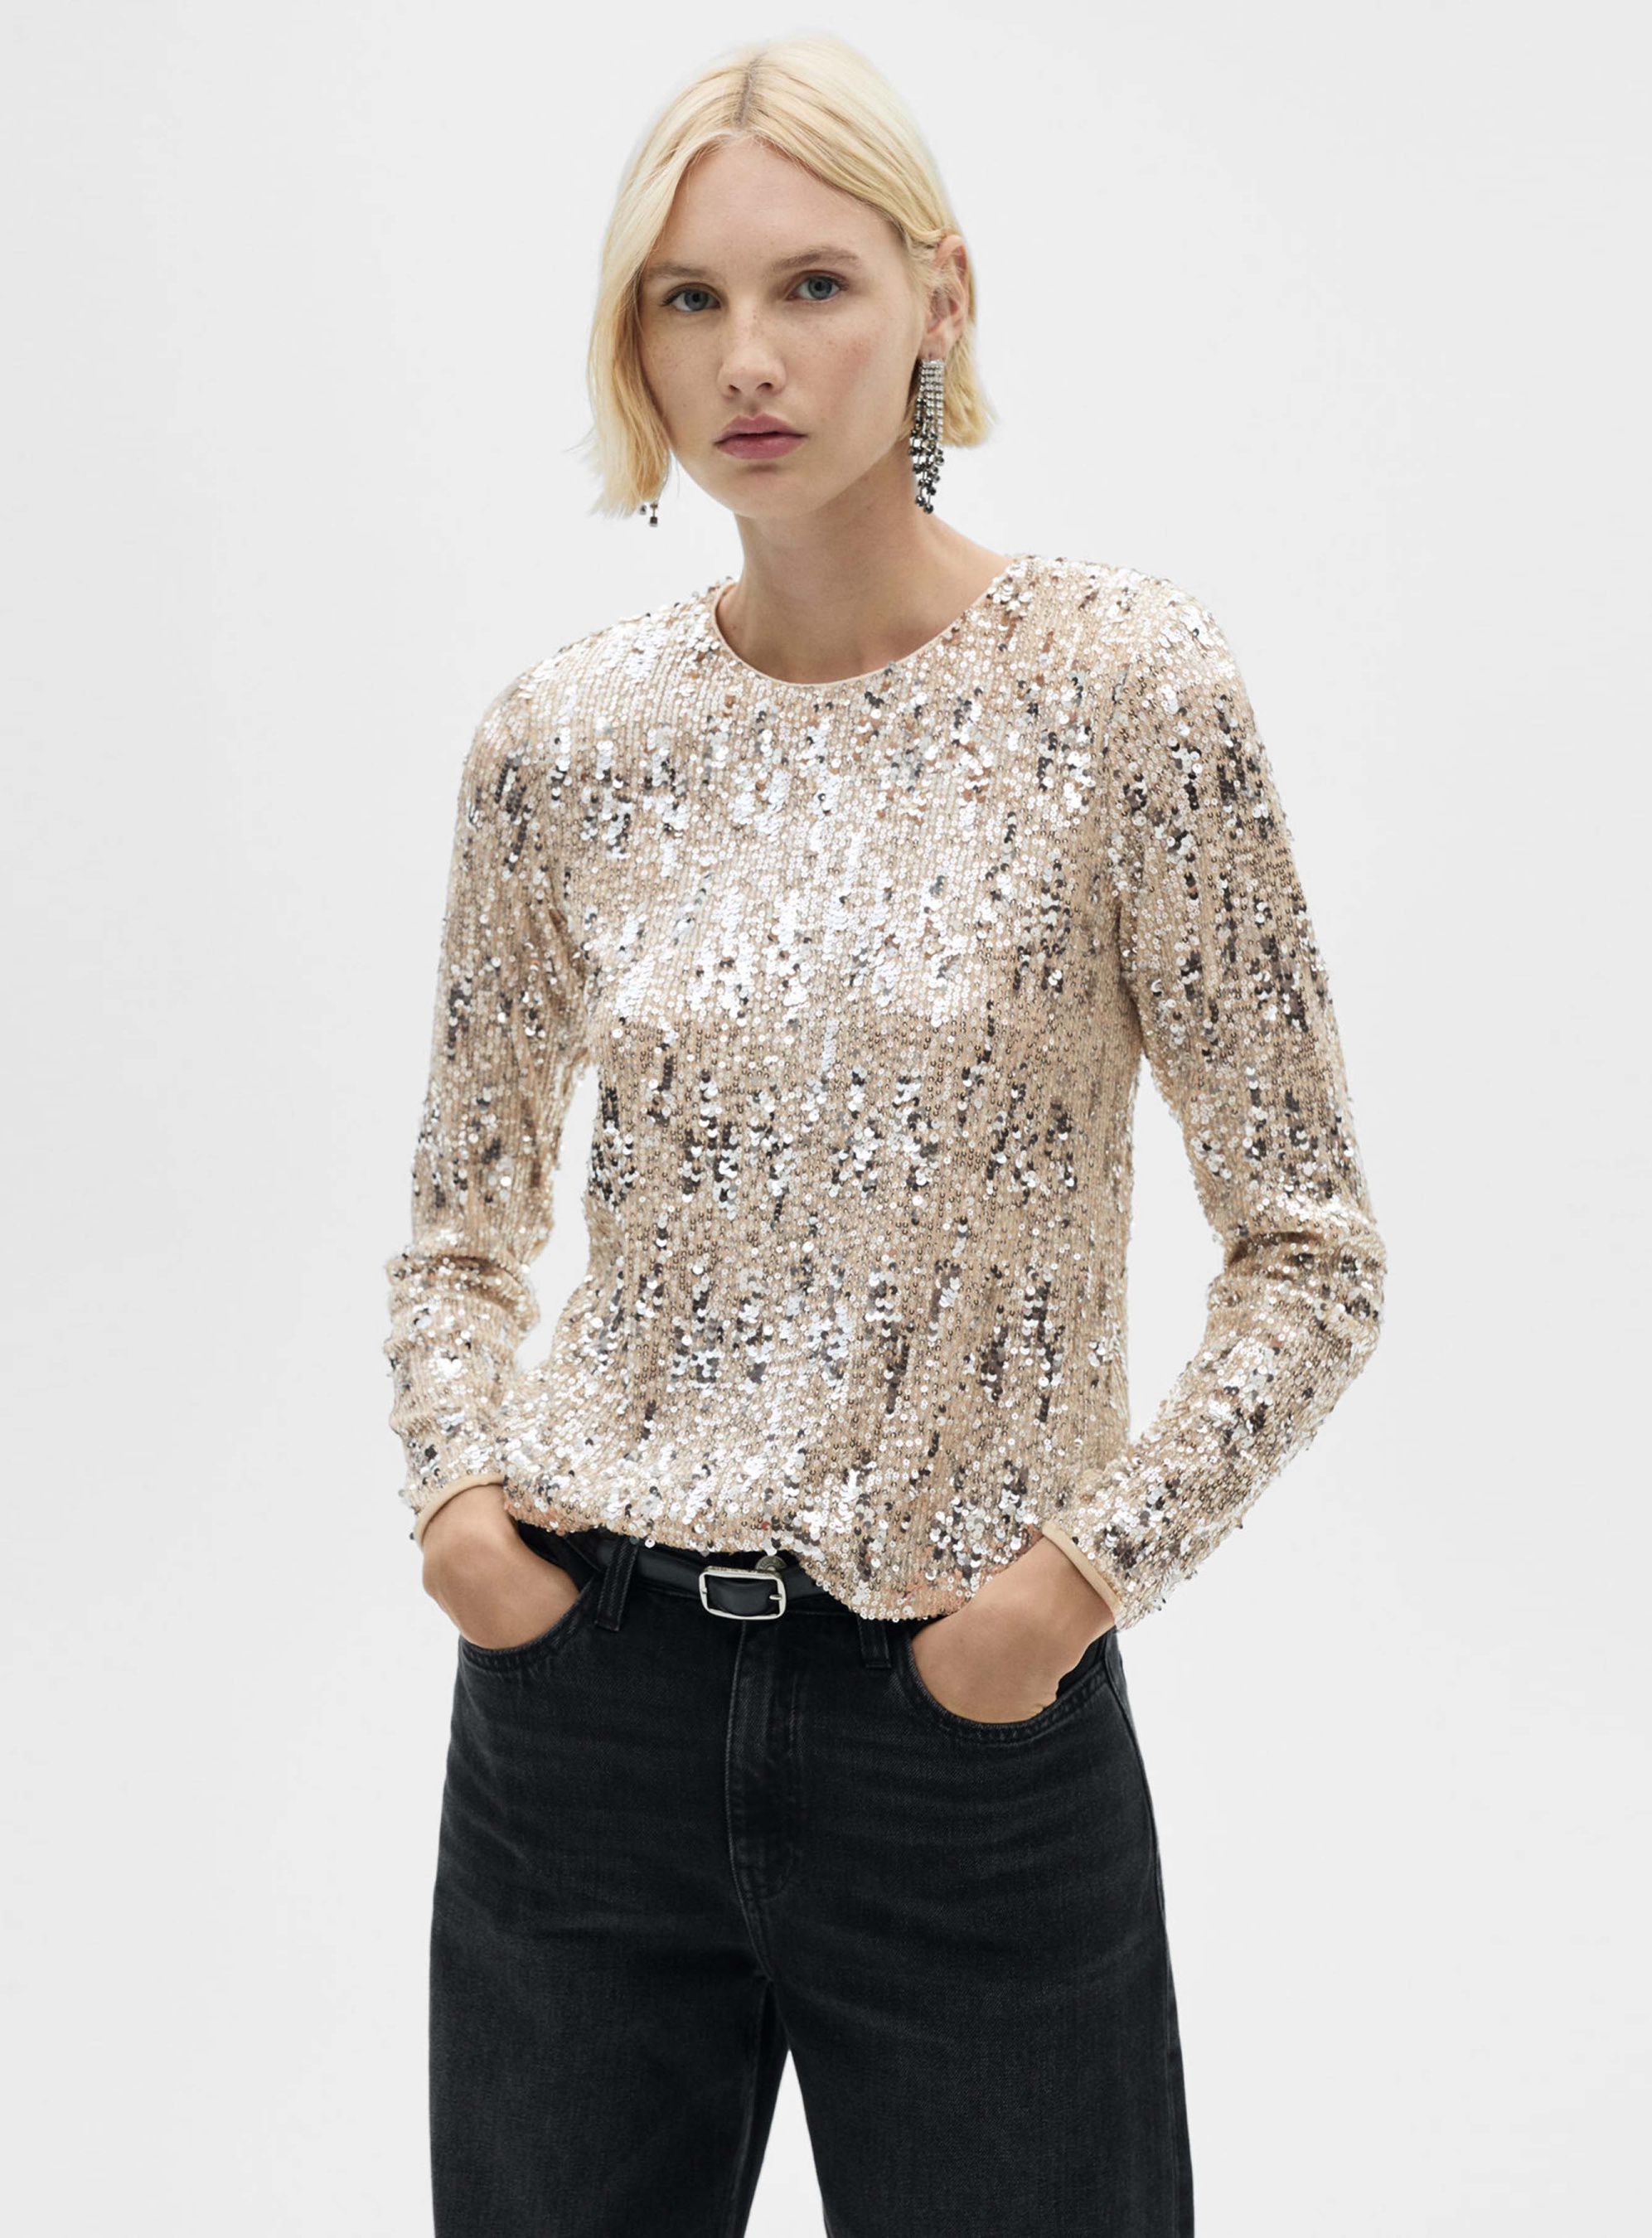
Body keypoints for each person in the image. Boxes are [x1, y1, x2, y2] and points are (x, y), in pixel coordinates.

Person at [381, 34, 1387, 2238]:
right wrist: (462, 1509)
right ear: (635, 344)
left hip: (963, 1736)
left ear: (941, 296)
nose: (747, 357)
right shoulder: (567, 740)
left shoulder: (1124, 692)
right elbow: (461, 1228)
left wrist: (1065, 1590)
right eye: (688, 299)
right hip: (585, 1723)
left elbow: (1310, 1250)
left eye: (812, 285)